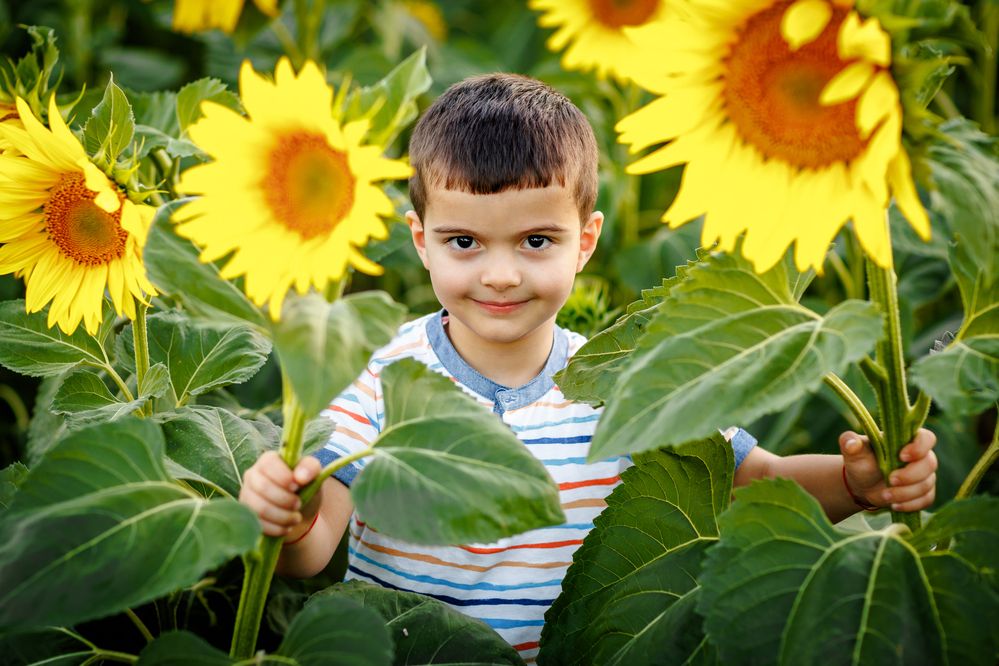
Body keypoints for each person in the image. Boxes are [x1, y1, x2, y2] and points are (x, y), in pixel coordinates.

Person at [239, 73, 938, 662]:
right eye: (464, 242)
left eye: (536, 240)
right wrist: (290, 518)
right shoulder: (383, 371)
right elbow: (318, 546)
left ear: (586, 241)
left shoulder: (620, 380)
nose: (502, 274)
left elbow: (750, 484)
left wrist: (855, 481)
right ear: (421, 241)